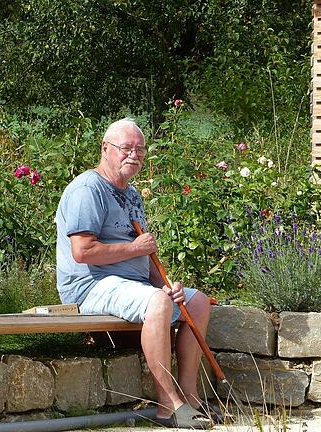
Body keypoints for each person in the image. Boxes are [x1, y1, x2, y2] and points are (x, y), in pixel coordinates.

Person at [55, 118, 214, 429]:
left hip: (133, 284)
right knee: (157, 303)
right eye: (126, 148)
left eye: (140, 150)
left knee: (196, 302)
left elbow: (145, 257)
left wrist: (168, 286)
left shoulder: (132, 194)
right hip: (89, 285)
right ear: (105, 149)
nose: (134, 155)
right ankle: (169, 404)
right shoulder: (88, 189)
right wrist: (136, 251)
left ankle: (191, 398)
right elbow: (83, 251)